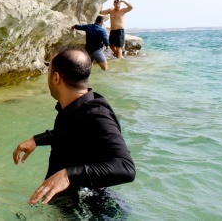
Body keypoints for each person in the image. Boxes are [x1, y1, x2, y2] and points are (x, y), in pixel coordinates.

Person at [12, 46, 135, 205]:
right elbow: (72, 132)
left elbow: (126, 167)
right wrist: (37, 140)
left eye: (48, 72)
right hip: (72, 203)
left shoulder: (97, 115)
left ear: (56, 78)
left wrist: (68, 175)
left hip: (89, 210)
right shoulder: (76, 109)